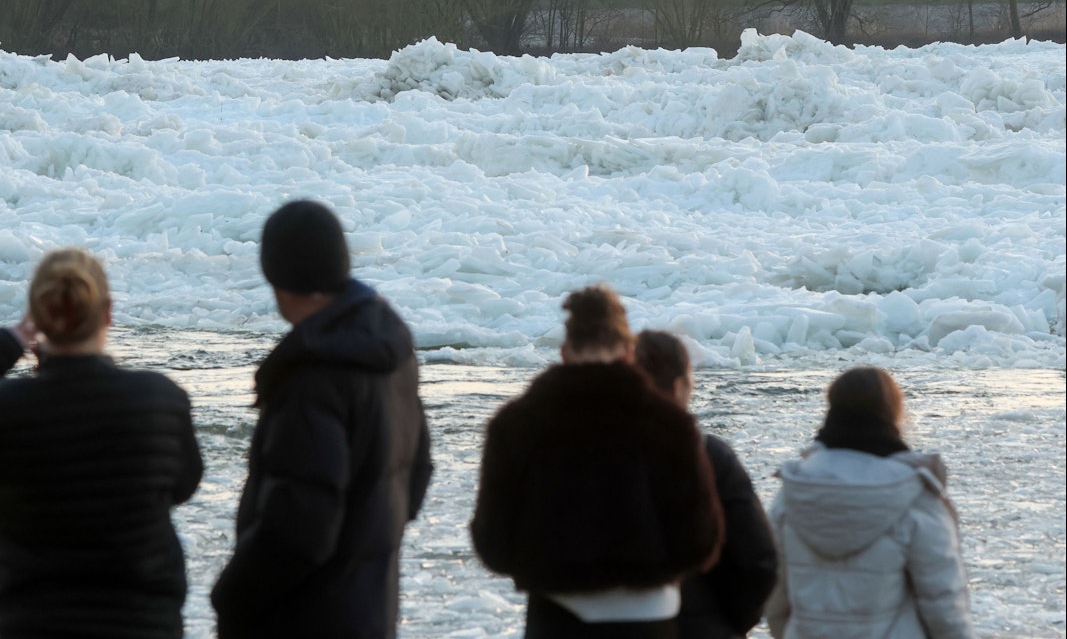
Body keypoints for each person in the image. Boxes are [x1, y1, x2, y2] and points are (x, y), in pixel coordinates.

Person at [211, 199, 433, 639]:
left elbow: (300, 526)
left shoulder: (313, 377)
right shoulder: (390, 349)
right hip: (371, 608)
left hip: (305, 618)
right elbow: (418, 471)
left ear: (275, 276)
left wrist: (231, 596)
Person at [470, 284, 724, 639]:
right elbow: (699, 540)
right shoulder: (670, 425)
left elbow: (492, 542)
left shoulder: (515, 425)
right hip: (648, 615)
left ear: (564, 353)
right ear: (627, 353)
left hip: (555, 612)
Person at [0, 248, 203, 639]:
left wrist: (14, 340)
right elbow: (183, 485)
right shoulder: (160, 400)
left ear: (38, 318)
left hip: (34, 624)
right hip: (144, 624)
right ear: (108, 313)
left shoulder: (10, 411)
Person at [763, 365, 976, 639]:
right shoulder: (912, 494)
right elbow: (944, 605)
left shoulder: (795, 492)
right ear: (893, 410)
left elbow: (774, 596)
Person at [635, 330, 778, 639]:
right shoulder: (710, 457)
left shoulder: (580, 457)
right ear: (678, 386)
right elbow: (757, 561)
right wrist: (726, 624)